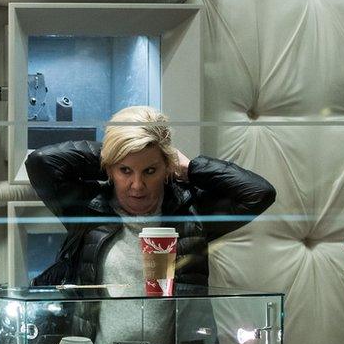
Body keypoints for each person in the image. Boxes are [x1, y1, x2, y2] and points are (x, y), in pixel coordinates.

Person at [27, 105, 277, 288]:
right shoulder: (90, 208)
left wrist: (190, 168)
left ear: (167, 168)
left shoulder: (190, 211)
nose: (137, 185)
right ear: (110, 169)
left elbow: (258, 193)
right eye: (125, 171)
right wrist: (112, 152)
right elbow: (42, 162)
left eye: (150, 170)